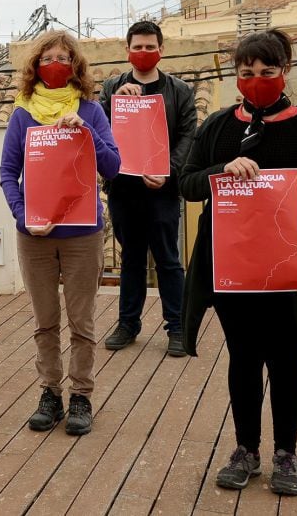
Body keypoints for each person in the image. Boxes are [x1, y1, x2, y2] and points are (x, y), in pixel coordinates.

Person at [179, 29, 297, 497]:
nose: (256, 82)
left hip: (291, 271)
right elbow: (186, 184)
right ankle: (246, 449)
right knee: (244, 358)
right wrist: (221, 170)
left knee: (286, 361)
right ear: (236, 76)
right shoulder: (217, 127)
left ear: (286, 70)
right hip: (235, 272)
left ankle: (286, 453)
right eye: (246, 74)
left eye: (267, 73)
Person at [0, 30, 120, 437]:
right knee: (45, 321)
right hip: (34, 235)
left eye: (64, 58)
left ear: (76, 66)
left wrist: (85, 131)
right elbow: (7, 173)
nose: (56, 64)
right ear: (36, 66)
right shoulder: (21, 113)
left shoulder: (91, 110)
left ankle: (81, 395)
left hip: (82, 232)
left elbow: (113, 166)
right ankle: (50, 392)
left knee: (81, 321)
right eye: (48, 57)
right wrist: (21, 216)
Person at [99, 20, 196, 356]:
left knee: (168, 259)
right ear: (127, 52)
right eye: (137, 47)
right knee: (132, 260)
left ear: (161, 50)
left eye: (150, 46)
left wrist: (168, 171)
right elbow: (101, 133)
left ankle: (178, 327)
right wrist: (114, 105)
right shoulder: (112, 88)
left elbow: (187, 135)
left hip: (163, 189)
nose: (144, 52)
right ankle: (128, 324)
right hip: (124, 188)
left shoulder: (179, 91)